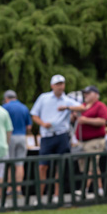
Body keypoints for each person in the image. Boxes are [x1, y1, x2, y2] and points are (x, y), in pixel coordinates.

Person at [30, 74, 80, 204]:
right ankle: (40, 197)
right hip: (47, 136)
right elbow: (34, 115)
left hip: (62, 135)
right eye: (57, 84)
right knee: (43, 167)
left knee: (60, 166)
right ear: (52, 86)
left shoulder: (67, 100)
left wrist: (67, 108)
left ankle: (57, 195)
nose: (60, 86)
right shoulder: (44, 98)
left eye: (62, 84)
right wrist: (42, 123)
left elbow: (82, 107)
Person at [61, 86, 107, 198]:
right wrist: (73, 116)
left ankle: (84, 189)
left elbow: (103, 121)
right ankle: (100, 190)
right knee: (87, 168)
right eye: (85, 93)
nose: (86, 95)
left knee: (92, 166)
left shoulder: (100, 106)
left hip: (95, 141)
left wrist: (86, 120)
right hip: (82, 142)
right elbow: (73, 116)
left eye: (89, 93)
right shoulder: (83, 107)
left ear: (96, 95)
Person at [2, 89, 32, 197]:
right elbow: (29, 126)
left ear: (6, 99)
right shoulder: (24, 107)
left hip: (10, 137)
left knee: (11, 164)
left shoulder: (5, 107)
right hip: (22, 137)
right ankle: (18, 189)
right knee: (20, 164)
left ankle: (10, 189)